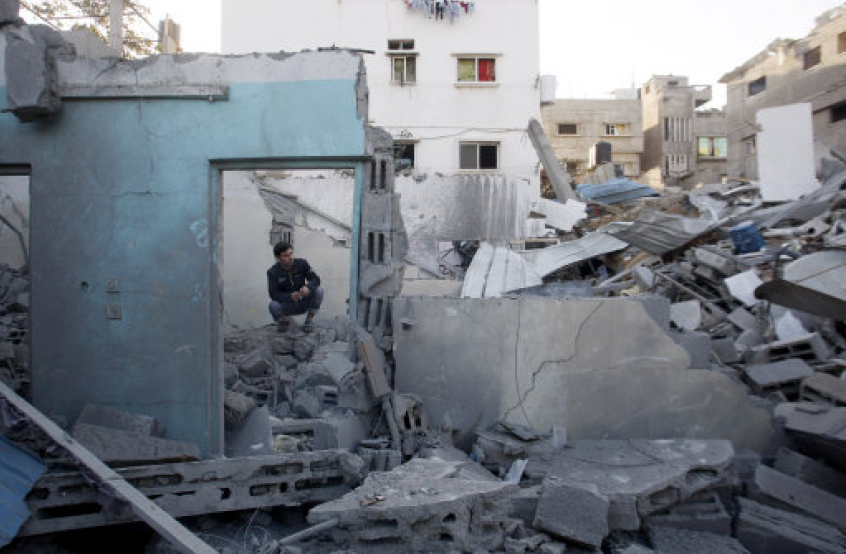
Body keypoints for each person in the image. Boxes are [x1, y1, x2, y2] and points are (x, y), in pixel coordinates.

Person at [267, 242, 324, 332]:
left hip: (303, 301)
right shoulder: (272, 272)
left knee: (319, 290)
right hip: (288, 305)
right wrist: (290, 296)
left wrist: (308, 287)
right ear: (278, 258)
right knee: (273, 305)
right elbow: (273, 294)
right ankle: (283, 324)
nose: (290, 258)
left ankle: (308, 322)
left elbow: (316, 279)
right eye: (286, 256)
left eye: (291, 253)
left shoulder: (302, 263)